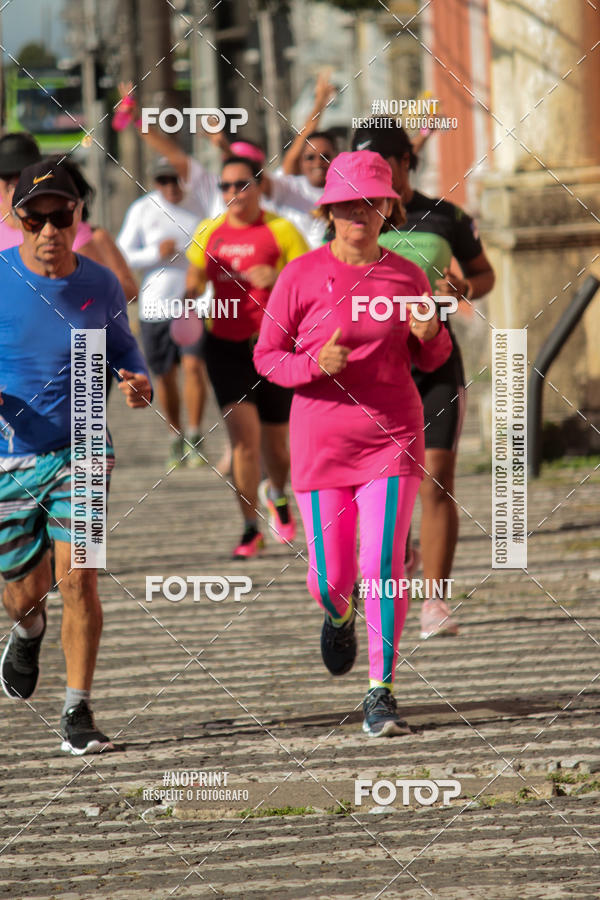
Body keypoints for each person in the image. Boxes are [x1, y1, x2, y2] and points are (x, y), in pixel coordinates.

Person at [254, 151, 452, 736]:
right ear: (328, 211)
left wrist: (431, 333)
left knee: (382, 563)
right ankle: (339, 615)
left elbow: (432, 359)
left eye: (369, 202)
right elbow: (267, 356)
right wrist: (313, 364)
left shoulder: (406, 276)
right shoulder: (300, 275)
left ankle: (380, 691)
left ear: (389, 206)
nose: (357, 213)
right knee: (331, 578)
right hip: (321, 443)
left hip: (392, 436)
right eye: (345, 204)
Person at [0, 160, 152, 754]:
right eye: (35, 219)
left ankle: (77, 708)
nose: (49, 231)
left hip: (85, 437)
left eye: (60, 216)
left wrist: (136, 382)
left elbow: (125, 354)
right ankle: (28, 628)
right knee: (22, 591)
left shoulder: (101, 284)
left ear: (77, 215)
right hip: (11, 449)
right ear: (17, 219)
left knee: (79, 577)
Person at [351, 123, 496, 640]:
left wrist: (462, 287)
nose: (371, 175)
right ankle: (398, 553)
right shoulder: (353, 220)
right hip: (374, 368)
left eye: (381, 163)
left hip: (435, 361)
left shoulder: (446, 216)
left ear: (405, 162)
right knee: (384, 481)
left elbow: (484, 275)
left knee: (437, 476)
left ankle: (434, 600)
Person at [185, 155, 309, 558]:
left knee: (276, 445)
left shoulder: (281, 230)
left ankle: (278, 493)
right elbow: (195, 274)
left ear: (258, 186)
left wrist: (279, 277)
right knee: (243, 441)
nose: (232, 193)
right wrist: (189, 292)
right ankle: (250, 527)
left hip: (274, 345)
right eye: (224, 186)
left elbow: (310, 281)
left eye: (241, 184)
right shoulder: (209, 231)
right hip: (225, 345)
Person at [118, 156, 209, 468]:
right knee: (165, 376)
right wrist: (154, 253)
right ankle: (175, 435)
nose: (170, 186)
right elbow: (123, 254)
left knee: (194, 367)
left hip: (193, 303)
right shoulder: (142, 209)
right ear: (154, 182)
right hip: (154, 306)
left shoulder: (201, 205)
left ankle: (195, 435)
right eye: (162, 180)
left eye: (175, 178)